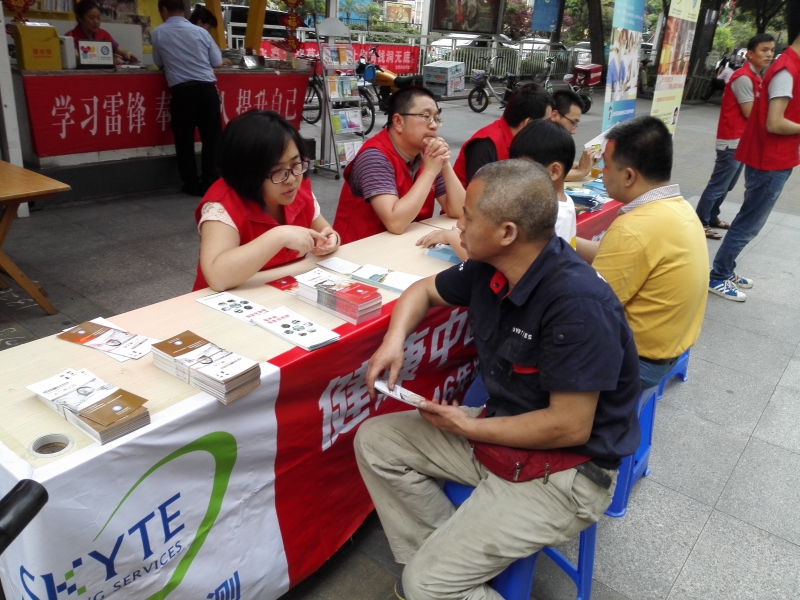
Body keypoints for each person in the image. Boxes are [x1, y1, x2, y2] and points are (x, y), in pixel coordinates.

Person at [355, 159, 641, 600]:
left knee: (424, 588)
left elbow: (569, 427)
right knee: (376, 441)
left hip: (567, 470)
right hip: (502, 429)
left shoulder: (577, 305)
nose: (458, 223)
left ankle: (433, 583)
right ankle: (439, 563)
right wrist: (394, 341)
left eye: (468, 216)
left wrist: (468, 427)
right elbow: (422, 290)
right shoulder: (492, 266)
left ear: (507, 232)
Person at [580, 116, 708, 389]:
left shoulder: (633, 229)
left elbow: (591, 309)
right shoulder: (677, 207)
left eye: (606, 165)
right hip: (670, 349)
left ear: (628, 176)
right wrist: (563, 241)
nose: (601, 172)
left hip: (638, 362)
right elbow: (611, 254)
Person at [192, 110, 339, 291]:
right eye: (278, 171)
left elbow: (326, 232)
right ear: (247, 173)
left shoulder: (298, 190)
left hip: (282, 293)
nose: (291, 179)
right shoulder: (222, 205)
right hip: (228, 300)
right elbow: (217, 277)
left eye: (296, 164)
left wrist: (331, 240)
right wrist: (280, 236)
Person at [709, 19, 800, 302]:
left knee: (749, 219)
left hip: (774, 157)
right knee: (750, 222)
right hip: (770, 159)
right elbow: (774, 122)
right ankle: (719, 275)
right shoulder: (788, 69)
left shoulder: (789, 65)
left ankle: (725, 268)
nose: (769, 53)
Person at [333, 86, 465, 244]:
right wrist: (430, 172)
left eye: (436, 119)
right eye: (426, 116)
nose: (434, 125)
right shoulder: (374, 156)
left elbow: (459, 211)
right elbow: (395, 223)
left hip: (404, 245)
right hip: (361, 251)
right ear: (398, 122)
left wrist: (444, 163)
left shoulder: (426, 155)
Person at [696, 34, 775, 240]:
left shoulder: (755, 77)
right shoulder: (743, 78)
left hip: (741, 141)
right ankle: (700, 222)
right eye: (764, 50)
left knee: (727, 185)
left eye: (771, 50)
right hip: (731, 140)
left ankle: (712, 217)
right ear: (750, 54)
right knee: (718, 185)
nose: (769, 54)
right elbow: (750, 113)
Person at [152, 0, 223, 197]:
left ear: (164, 10)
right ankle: (210, 182)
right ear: (182, 10)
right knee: (211, 139)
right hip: (207, 91)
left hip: (182, 93)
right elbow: (217, 61)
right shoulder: (201, 32)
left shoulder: (158, 32)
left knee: (184, 140)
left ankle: (191, 184)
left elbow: (158, 62)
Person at [452, 83, 554, 187]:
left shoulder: (524, 141)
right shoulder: (486, 144)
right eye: (546, 122)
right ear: (528, 123)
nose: (548, 127)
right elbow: (478, 194)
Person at [549, 89, 600, 181]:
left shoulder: (554, 138)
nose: (574, 131)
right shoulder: (538, 138)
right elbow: (547, 174)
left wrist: (582, 165)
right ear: (554, 115)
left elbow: (555, 165)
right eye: (573, 123)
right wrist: (581, 171)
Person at [66, 0, 138, 65]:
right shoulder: (70, 37)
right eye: (91, 18)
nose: (96, 22)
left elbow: (120, 50)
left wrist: (127, 54)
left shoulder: (103, 34)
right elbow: (76, 58)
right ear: (80, 18)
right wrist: (106, 59)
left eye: (98, 18)